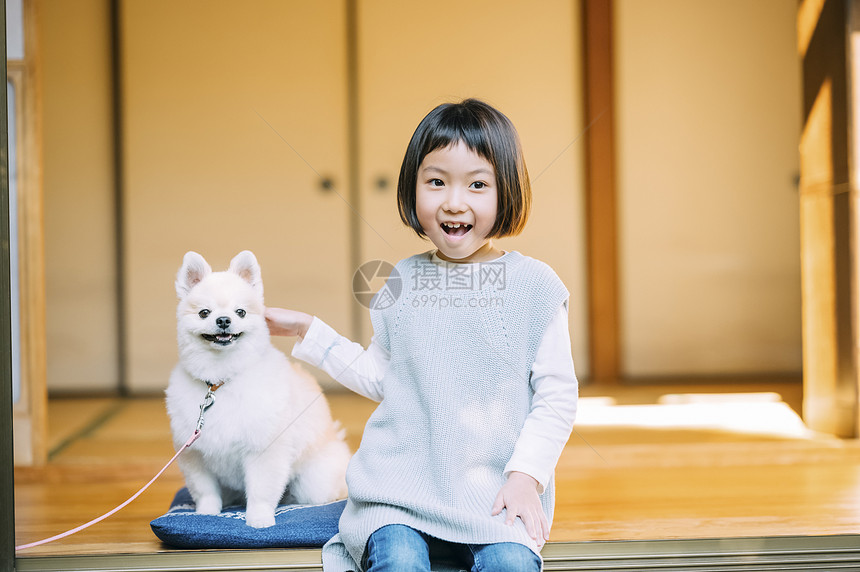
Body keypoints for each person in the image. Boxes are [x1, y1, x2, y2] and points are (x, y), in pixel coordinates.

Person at [266, 98, 578, 572]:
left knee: (511, 565)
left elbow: (557, 397)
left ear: (507, 192)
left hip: (494, 492)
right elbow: (382, 376)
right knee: (399, 560)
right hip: (399, 491)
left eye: (477, 184)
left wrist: (525, 477)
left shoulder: (535, 287)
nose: (454, 202)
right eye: (436, 182)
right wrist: (311, 332)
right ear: (413, 189)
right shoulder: (402, 280)